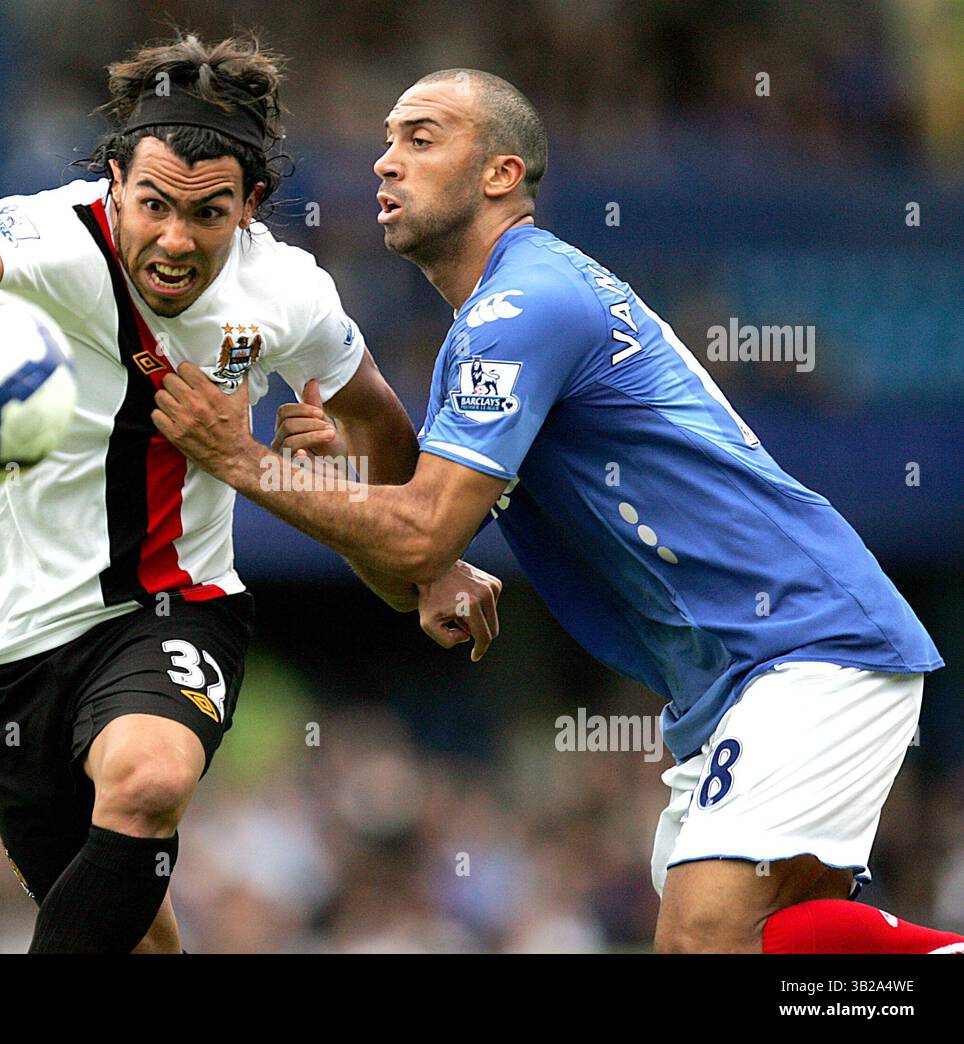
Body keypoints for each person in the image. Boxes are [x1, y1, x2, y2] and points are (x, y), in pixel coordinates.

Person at [150, 69, 960, 954]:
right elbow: (414, 569)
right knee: (781, 943)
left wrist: (243, 459)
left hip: (811, 644)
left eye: (421, 140)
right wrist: (343, 496)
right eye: (387, 140)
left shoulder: (525, 304)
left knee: (707, 938)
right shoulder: (486, 324)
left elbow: (422, 532)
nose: (385, 163)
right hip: (730, 685)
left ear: (500, 173)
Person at [0, 37, 497, 954]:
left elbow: (376, 421)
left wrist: (432, 562)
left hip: (169, 606)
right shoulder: (53, 239)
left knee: (149, 782)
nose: (172, 238)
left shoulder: (283, 290)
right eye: (152, 204)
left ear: (251, 207)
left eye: (207, 213)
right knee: (140, 936)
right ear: (113, 182)